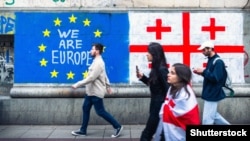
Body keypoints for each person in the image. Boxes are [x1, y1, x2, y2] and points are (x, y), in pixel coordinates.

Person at [71, 43, 123, 138]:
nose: (90, 51)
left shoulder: (98, 63)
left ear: (97, 51)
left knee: (100, 111)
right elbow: (104, 75)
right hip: (90, 92)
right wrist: (108, 86)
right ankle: (83, 130)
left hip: (95, 92)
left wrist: (77, 84)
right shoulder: (96, 61)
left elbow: (91, 78)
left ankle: (118, 126)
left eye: (92, 49)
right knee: (85, 108)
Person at [154, 63, 200, 141]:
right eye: (169, 72)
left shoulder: (185, 94)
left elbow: (186, 115)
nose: (168, 75)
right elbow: (167, 105)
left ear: (181, 77)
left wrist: (167, 110)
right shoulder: (172, 88)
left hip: (178, 131)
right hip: (167, 126)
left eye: (172, 73)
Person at [136, 42, 170, 141]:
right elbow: (154, 85)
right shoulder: (155, 68)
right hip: (155, 106)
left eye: (148, 52)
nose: (146, 54)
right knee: (160, 135)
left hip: (159, 107)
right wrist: (143, 78)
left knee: (147, 134)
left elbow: (168, 89)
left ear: (155, 54)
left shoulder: (162, 69)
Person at [193, 40, 230, 125]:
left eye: (204, 50)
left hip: (212, 93)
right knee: (214, 116)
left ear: (209, 49)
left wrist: (203, 71)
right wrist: (201, 73)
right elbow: (211, 76)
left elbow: (216, 78)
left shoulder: (218, 62)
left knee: (207, 120)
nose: (202, 52)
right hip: (210, 92)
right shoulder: (212, 60)